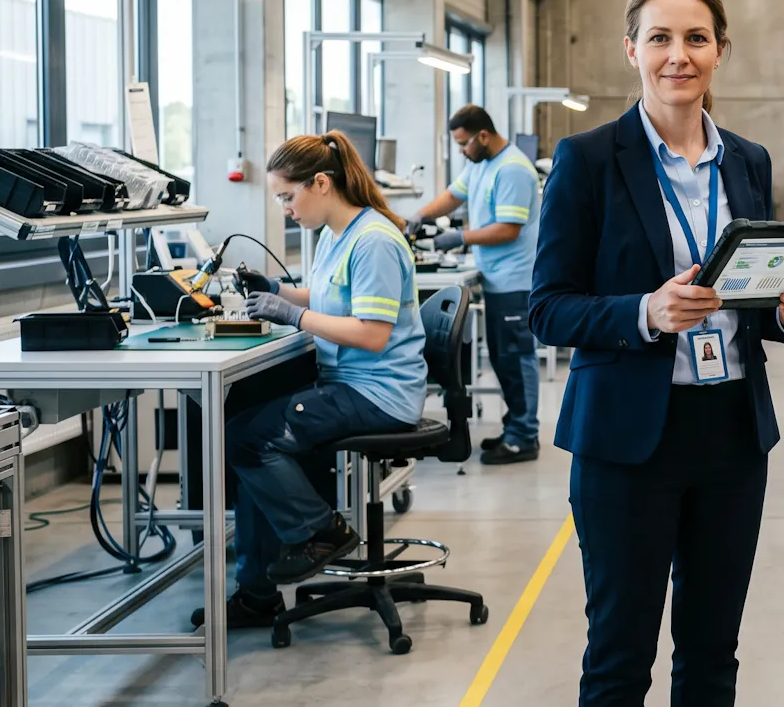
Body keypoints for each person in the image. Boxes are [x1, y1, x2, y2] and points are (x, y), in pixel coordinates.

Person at [529, 0, 784, 707]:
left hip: (729, 433)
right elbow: (549, 304)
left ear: (720, 51)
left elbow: (753, 300)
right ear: (631, 50)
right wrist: (643, 312)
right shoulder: (588, 161)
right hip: (627, 441)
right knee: (619, 655)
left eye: (695, 37)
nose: (678, 55)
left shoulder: (749, 162)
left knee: (710, 647)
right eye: (659, 37)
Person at [213, 131, 427, 628]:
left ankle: (322, 532)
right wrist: (280, 290)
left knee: (249, 437)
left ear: (322, 183)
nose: (286, 209)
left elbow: (372, 333)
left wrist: (290, 315)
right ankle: (258, 592)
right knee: (246, 428)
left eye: (288, 197)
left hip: (379, 393)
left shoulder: (373, 241)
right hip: (349, 382)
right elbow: (334, 296)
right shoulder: (337, 234)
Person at [409, 104, 544, 465]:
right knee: (502, 358)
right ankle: (516, 425)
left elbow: (508, 229)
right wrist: (421, 215)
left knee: (516, 358)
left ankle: (524, 437)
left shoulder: (513, 169)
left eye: (464, 143)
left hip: (515, 280)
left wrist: (460, 237)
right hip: (497, 277)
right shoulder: (481, 164)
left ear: (483, 135)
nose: (462, 151)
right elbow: (454, 195)